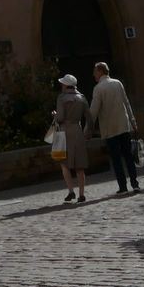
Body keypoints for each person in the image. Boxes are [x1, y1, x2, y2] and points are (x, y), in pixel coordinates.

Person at [89, 60, 142, 195]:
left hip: (110, 128)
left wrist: (88, 128)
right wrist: (133, 122)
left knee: (116, 159)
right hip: (123, 125)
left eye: (95, 71)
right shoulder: (117, 83)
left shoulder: (98, 88)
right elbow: (127, 103)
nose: (94, 74)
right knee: (128, 156)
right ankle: (135, 183)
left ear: (100, 71)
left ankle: (123, 186)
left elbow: (94, 110)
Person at [51, 74, 90, 203]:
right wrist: (87, 133)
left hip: (64, 132)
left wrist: (55, 115)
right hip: (77, 131)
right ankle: (81, 194)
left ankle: (71, 191)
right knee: (80, 165)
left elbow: (60, 117)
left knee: (64, 162)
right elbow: (89, 117)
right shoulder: (82, 98)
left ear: (65, 85)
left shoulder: (61, 98)